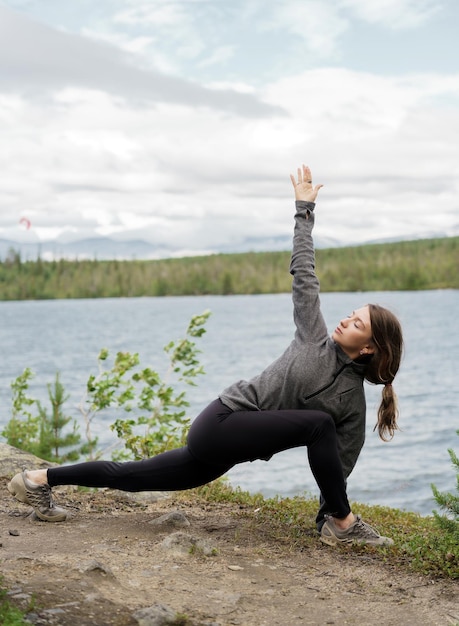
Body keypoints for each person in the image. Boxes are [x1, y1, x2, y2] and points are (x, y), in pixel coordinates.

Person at [8, 165, 403, 547]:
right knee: (318, 423)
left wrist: (325, 511)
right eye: (349, 314)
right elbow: (305, 272)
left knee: (131, 476)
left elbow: (340, 464)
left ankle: (38, 481)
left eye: (356, 323)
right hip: (222, 421)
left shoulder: (351, 402)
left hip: (225, 452)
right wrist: (304, 210)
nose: (344, 321)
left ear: (369, 347)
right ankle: (343, 524)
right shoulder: (313, 335)